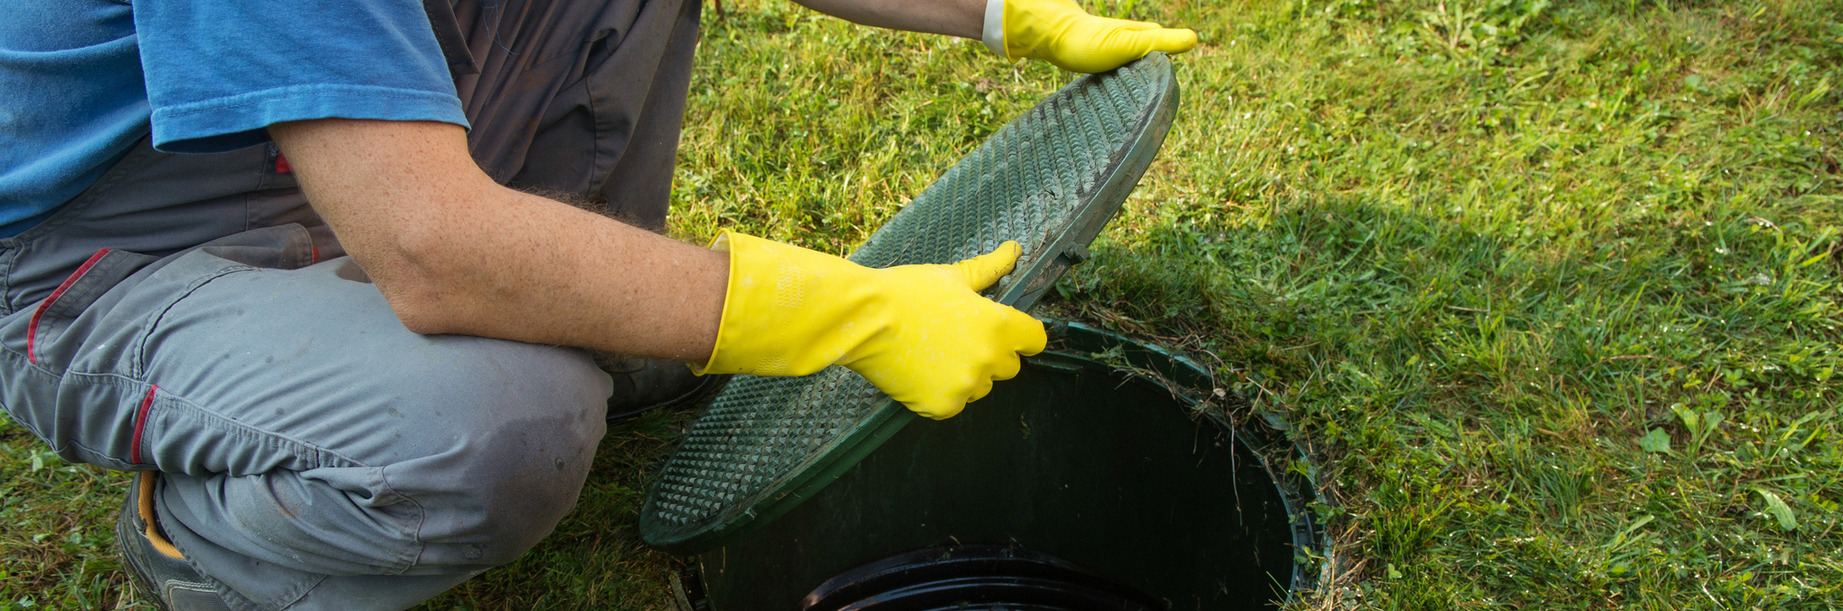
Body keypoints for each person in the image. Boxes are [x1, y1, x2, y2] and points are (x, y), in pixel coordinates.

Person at [0, 0, 1195, 608]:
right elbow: (431, 247)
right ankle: (201, 535)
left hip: (348, 151)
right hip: (120, 249)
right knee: (496, 425)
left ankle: (558, 303)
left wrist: (1002, 13)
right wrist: (845, 311)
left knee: (627, 350)